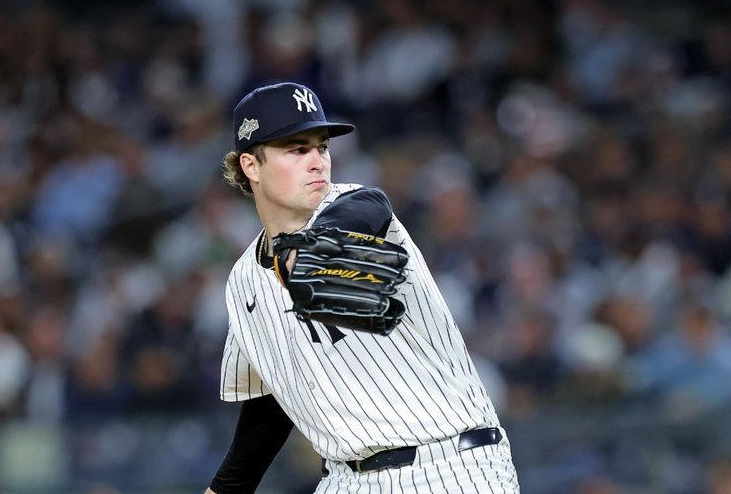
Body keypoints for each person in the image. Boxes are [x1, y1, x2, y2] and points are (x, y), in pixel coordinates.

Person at [206, 82, 520, 493]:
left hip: (450, 464)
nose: (318, 161)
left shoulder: (359, 209)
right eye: (297, 150)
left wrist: (307, 255)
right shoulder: (245, 281)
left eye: (322, 147)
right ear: (251, 166)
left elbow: (365, 211)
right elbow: (270, 406)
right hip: (346, 480)